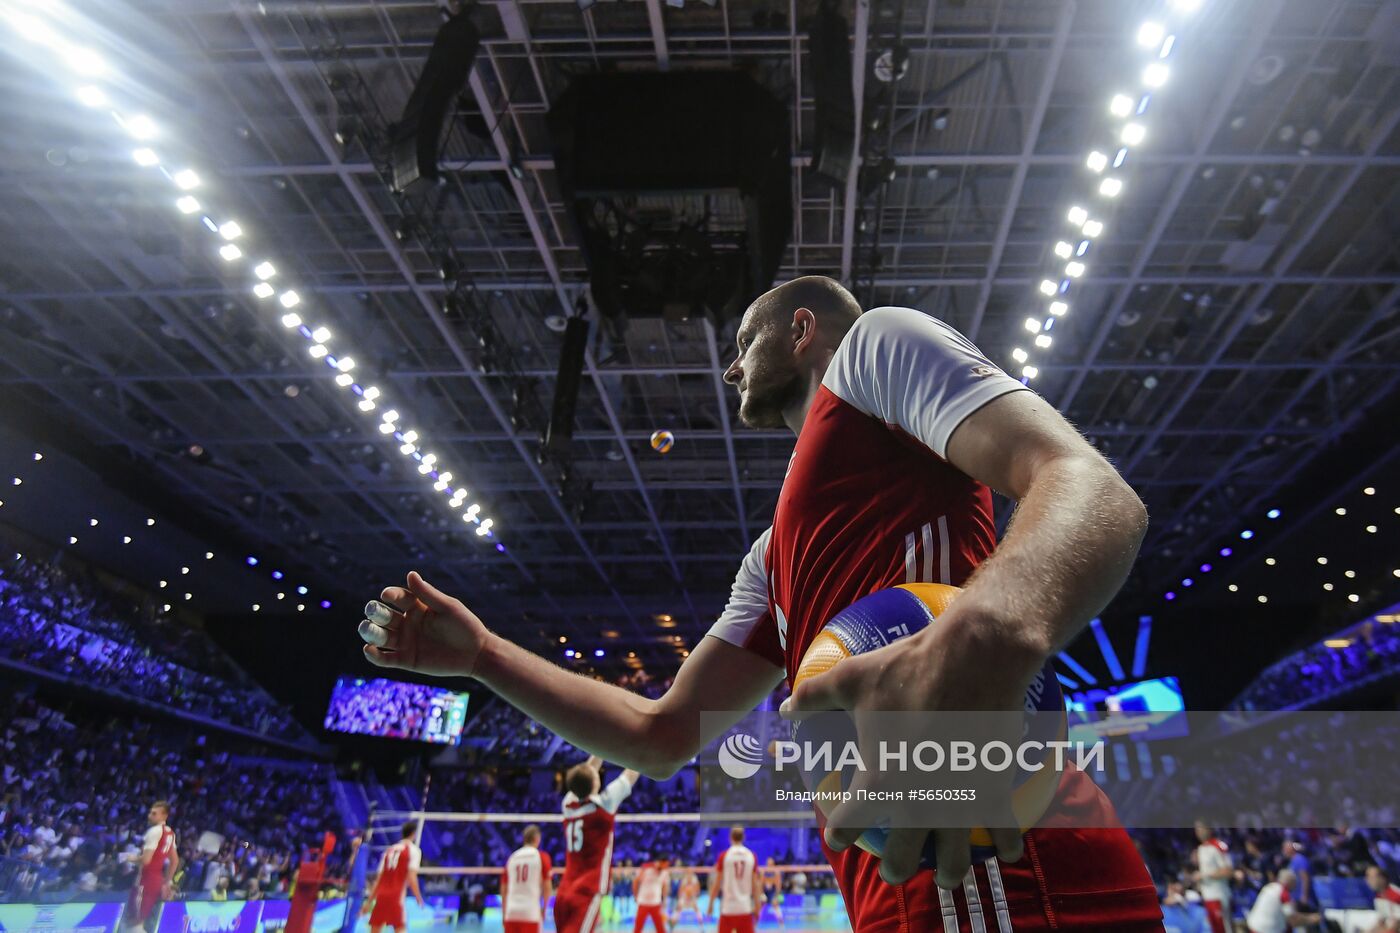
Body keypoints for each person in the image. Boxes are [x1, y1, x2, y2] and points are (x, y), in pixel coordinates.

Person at [359, 276, 1159, 930]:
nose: (732, 370)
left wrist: (983, 632)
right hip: (901, 881)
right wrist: (484, 656)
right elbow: (661, 734)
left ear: (801, 328)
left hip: (995, 867)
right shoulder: (774, 554)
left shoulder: (875, 346)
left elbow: (1093, 489)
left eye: (744, 343)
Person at [553, 755, 639, 933]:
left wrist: (602, 745)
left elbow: (584, 773)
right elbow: (630, 775)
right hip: (587, 890)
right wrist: (644, 749)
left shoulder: (568, 804)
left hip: (564, 889)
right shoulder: (603, 805)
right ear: (595, 782)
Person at [123, 801, 178, 933]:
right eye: (150, 812)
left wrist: (131, 858)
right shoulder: (170, 833)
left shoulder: (154, 831)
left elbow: (146, 860)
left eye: (154, 814)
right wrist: (167, 882)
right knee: (135, 922)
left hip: (145, 881)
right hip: (156, 881)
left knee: (133, 923)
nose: (149, 816)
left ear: (164, 815)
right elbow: (175, 861)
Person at [366, 822, 424, 933]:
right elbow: (412, 877)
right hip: (396, 896)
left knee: (375, 929)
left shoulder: (389, 850)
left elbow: (378, 879)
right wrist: (418, 897)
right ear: (413, 834)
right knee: (400, 928)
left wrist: (369, 902)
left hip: (381, 895)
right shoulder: (413, 850)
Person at [706, 828, 760, 933]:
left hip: (728, 908)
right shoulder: (751, 856)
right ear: (743, 838)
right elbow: (755, 884)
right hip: (745, 908)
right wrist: (757, 905)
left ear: (730, 838)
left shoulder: (724, 856)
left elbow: (717, 883)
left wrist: (711, 904)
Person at [502, 825, 553, 933]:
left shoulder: (512, 858)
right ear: (537, 838)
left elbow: (504, 889)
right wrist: (544, 909)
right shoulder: (541, 857)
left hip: (511, 912)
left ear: (524, 839)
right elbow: (547, 887)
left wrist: (504, 913)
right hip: (530, 912)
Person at [1245, 869, 1319, 933]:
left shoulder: (1270, 886)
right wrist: (1311, 918)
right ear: (1289, 882)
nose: (1295, 885)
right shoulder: (1283, 893)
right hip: (1265, 930)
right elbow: (1293, 920)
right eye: (1294, 882)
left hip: (1253, 926)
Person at [1195, 821, 1233, 933]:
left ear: (1209, 829)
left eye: (1201, 828)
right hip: (1207, 896)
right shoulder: (1201, 849)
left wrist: (1204, 875)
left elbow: (1228, 872)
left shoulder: (1219, 846)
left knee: (1225, 929)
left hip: (1219, 896)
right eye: (1196, 829)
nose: (1198, 832)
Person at [341, 830, 370, 933]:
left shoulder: (362, 852)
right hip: (355, 889)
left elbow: (352, 868)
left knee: (353, 913)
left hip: (357, 888)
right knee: (350, 914)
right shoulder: (357, 854)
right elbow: (350, 867)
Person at [633, 856, 670, 933]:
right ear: (660, 862)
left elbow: (665, 886)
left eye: (667, 865)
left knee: (661, 929)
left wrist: (664, 899)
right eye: (665, 864)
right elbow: (635, 882)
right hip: (643, 902)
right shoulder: (646, 868)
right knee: (637, 928)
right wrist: (635, 895)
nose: (666, 866)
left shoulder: (665, 873)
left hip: (656, 903)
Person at [1366, 864, 1400, 932]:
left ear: (1383, 878)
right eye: (1367, 877)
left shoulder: (1396, 895)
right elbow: (1381, 921)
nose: (1368, 880)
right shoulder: (1378, 897)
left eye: (1372, 877)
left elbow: (1397, 924)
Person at [671, 866, 703, 931]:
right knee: (678, 910)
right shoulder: (684, 879)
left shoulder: (695, 879)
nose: (689, 872)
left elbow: (698, 889)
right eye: (688, 871)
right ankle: (671, 927)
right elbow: (680, 889)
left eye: (691, 871)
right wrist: (680, 897)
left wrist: (695, 896)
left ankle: (702, 927)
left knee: (697, 910)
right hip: (684, 897)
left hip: (692, 898)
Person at [760, 857, 784, 928]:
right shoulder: (763, 871)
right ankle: (755, 922)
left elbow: (778, 886)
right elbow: (761, 884)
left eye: (771, 864)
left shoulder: (776, 872)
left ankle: (781, 923)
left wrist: (776, 895)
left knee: (775, 904)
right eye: (768, 864)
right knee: (760, 903)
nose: (769, 865)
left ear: (773, 864)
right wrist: (761, 893)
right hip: (765, 891)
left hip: (773, 891)